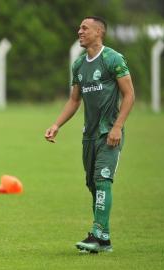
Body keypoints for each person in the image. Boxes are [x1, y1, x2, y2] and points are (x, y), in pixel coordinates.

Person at [45, 16, 135, 253]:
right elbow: (74, 100)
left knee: (103, 180)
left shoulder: (112, 59)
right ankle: (103, 239)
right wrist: (57, 125)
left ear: (98, 32)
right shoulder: (78, 65)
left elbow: (129, 95)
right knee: (92, 184)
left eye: (85, 28)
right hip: (89, 135)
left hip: (109, 133)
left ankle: (97, 234)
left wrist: (117, 126)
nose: (79, 31)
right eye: (80, 28)